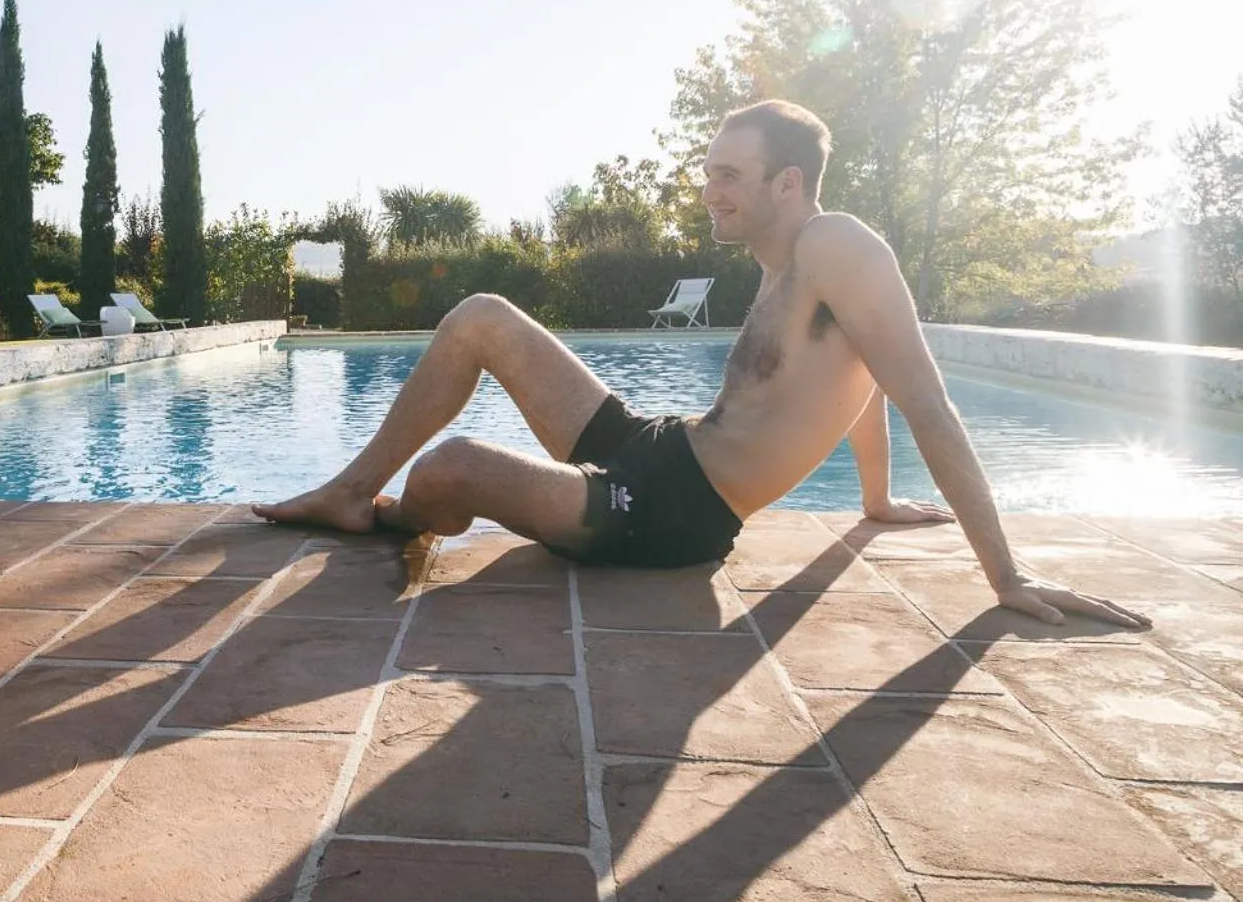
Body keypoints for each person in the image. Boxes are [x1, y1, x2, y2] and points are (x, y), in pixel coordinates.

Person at [256, 100, 1147, 628]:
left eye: (728, 174)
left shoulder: (839, 245)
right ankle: (350, 491)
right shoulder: (785, 262)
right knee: (483, 317)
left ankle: (401, 515)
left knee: (447, 471)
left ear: (787, 183)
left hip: (678, 514)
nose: (709, 190)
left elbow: (924, 398)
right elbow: (856, 378)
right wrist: (873, 500)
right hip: (659, 449)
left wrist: (1007, 575)